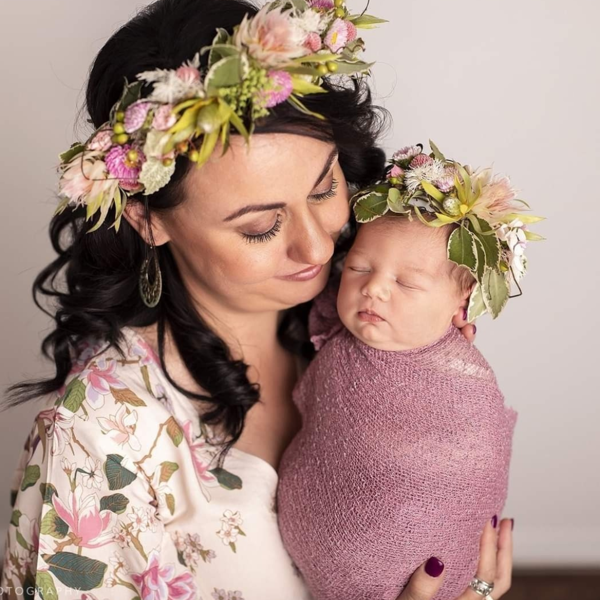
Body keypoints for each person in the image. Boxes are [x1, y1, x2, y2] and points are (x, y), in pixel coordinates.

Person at [0, 1, 513, 599]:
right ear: (146, 219)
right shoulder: (96, 443)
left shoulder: (366, 322)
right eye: (260, 227)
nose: (320, 245)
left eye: (324, 188)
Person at [278, 147, 534, 597]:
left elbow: (475, 466)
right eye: (358, 268)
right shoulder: (331, 331)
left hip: (407, 573)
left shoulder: (462, 382)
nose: (372, 287)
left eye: (408, 283)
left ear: (462, 304)